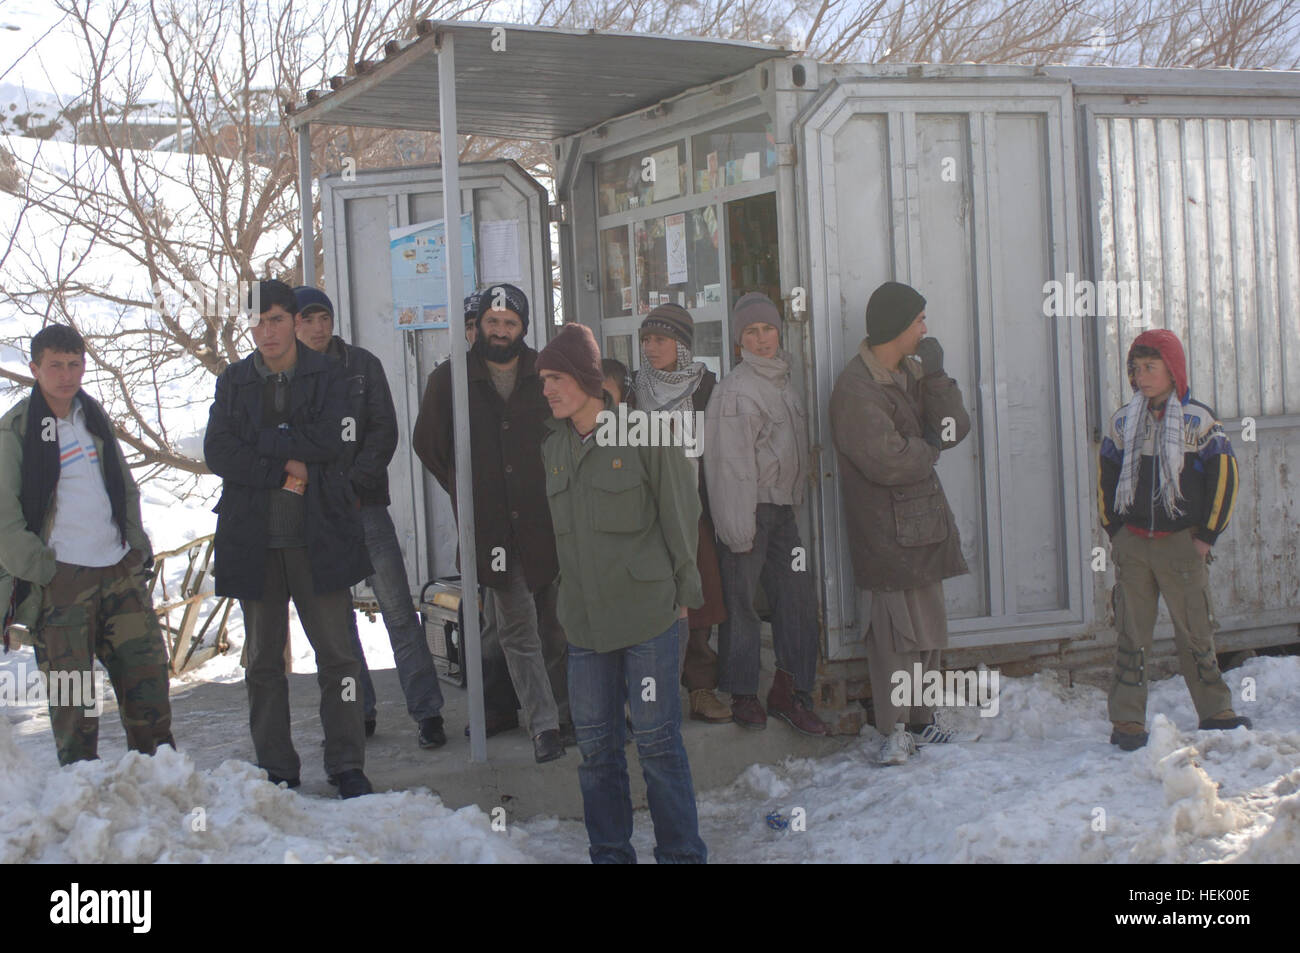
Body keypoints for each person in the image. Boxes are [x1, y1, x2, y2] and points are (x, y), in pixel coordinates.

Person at [538, 322, 707, 863]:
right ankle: (610, 854)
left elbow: (682, 516)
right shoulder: (553, 448)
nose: (548, 389)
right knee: (595, 752)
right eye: (543, 379)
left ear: (587, 379)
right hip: (585, 626)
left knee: (657, 745)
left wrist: (685, 593)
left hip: (647, 619)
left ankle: (681, 854)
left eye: (558, 377)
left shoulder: (647, 434)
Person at [204, 280, 374, 798]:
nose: (266, 331)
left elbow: (337, 442)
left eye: (276, 319)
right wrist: (284, 466)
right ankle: (276, 768)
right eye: (256, 322)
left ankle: (347, 765)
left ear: (293, 321)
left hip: (318, 533)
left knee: (338, 658)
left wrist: (265, 448)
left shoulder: (329, 374)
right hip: (255, 538)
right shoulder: (235, 380)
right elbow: (218, 452)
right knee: (261, 662)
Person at [0, 325, 174, 765]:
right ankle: (86, 800)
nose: (65, 375)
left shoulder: (92, 417)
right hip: (62, 580)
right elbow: (5, 522)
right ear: (35, 369)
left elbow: (125, 489)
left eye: (74, 364)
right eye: (55, 365)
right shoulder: (15, 431)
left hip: (119, 570)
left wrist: (136, 548)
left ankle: (162, 785)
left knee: (148, 683)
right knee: (74, 704)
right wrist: (45, 572)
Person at [413, 283, 567, 763]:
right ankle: (545, 725)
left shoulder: (546, 372)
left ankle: (527, 710)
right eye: (492, 322)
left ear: (523, 328)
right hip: (492, 531)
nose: (500, 331)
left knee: (552, 625)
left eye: (510, 323)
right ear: (477, 325)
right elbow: (430, 445)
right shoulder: (450, 379)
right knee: (518, 628)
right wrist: (469, 491)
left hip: (546, 524)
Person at [293, 285, 447, 750]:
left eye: (325, 318)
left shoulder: (361, 366)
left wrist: (351, 480)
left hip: (365, 507)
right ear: (294, 325)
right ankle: (358, 711)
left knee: (399, 611)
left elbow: (385, 430)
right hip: (317, 517)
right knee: (337, 621)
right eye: (309, 319)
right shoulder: (288, 377)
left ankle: (428, 713)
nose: (319, 327)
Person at [828, 281, 973, 765]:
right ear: (896, 328)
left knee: (928, 630)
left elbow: (954, 429)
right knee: (894, 636)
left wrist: (936, 377)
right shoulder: (855, 389)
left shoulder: (912, 373)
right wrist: (928, 446)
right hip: (884, 533)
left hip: (924, 524)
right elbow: (888, 459)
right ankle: (894, 729)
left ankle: (921, 720)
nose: (926, 329)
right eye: (919, 321)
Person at [1099, 329, 1247, 751]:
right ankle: (1127, 721)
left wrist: (1206, 537)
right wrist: (1115, 530)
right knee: (1132, 633)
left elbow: (1225, 480)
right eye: (1136, 369)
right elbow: (1106, 477)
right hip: (1135, 547)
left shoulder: (1199, 422)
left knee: (1196, 631)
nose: (1141, 377)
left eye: (1151, 368)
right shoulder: (1124, 421)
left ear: (1173, 369)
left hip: (1182, 545)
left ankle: (1216, 712)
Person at [702, 293, 829, 736]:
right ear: (739, 342)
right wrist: (738, 531)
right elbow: (729, 468)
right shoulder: (736, 391)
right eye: (751, 333)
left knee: (796, 599)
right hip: (748, 512)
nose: (761, 340)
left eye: (768, 329)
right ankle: (741, 692)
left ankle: (792, 691)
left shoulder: (784, 382)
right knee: (742, 605)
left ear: (780, 332)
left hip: (781, 513)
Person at [632, 305, 730, 724]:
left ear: (683, 345)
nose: (652, 348)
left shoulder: (706, 388)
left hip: (695, 510)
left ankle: (701, 688)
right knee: (653, 600)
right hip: (647, 515)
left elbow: (722, 451)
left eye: (662, 339)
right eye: (647, 340)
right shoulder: (635, 389)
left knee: (699, 596)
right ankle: (654, 691)